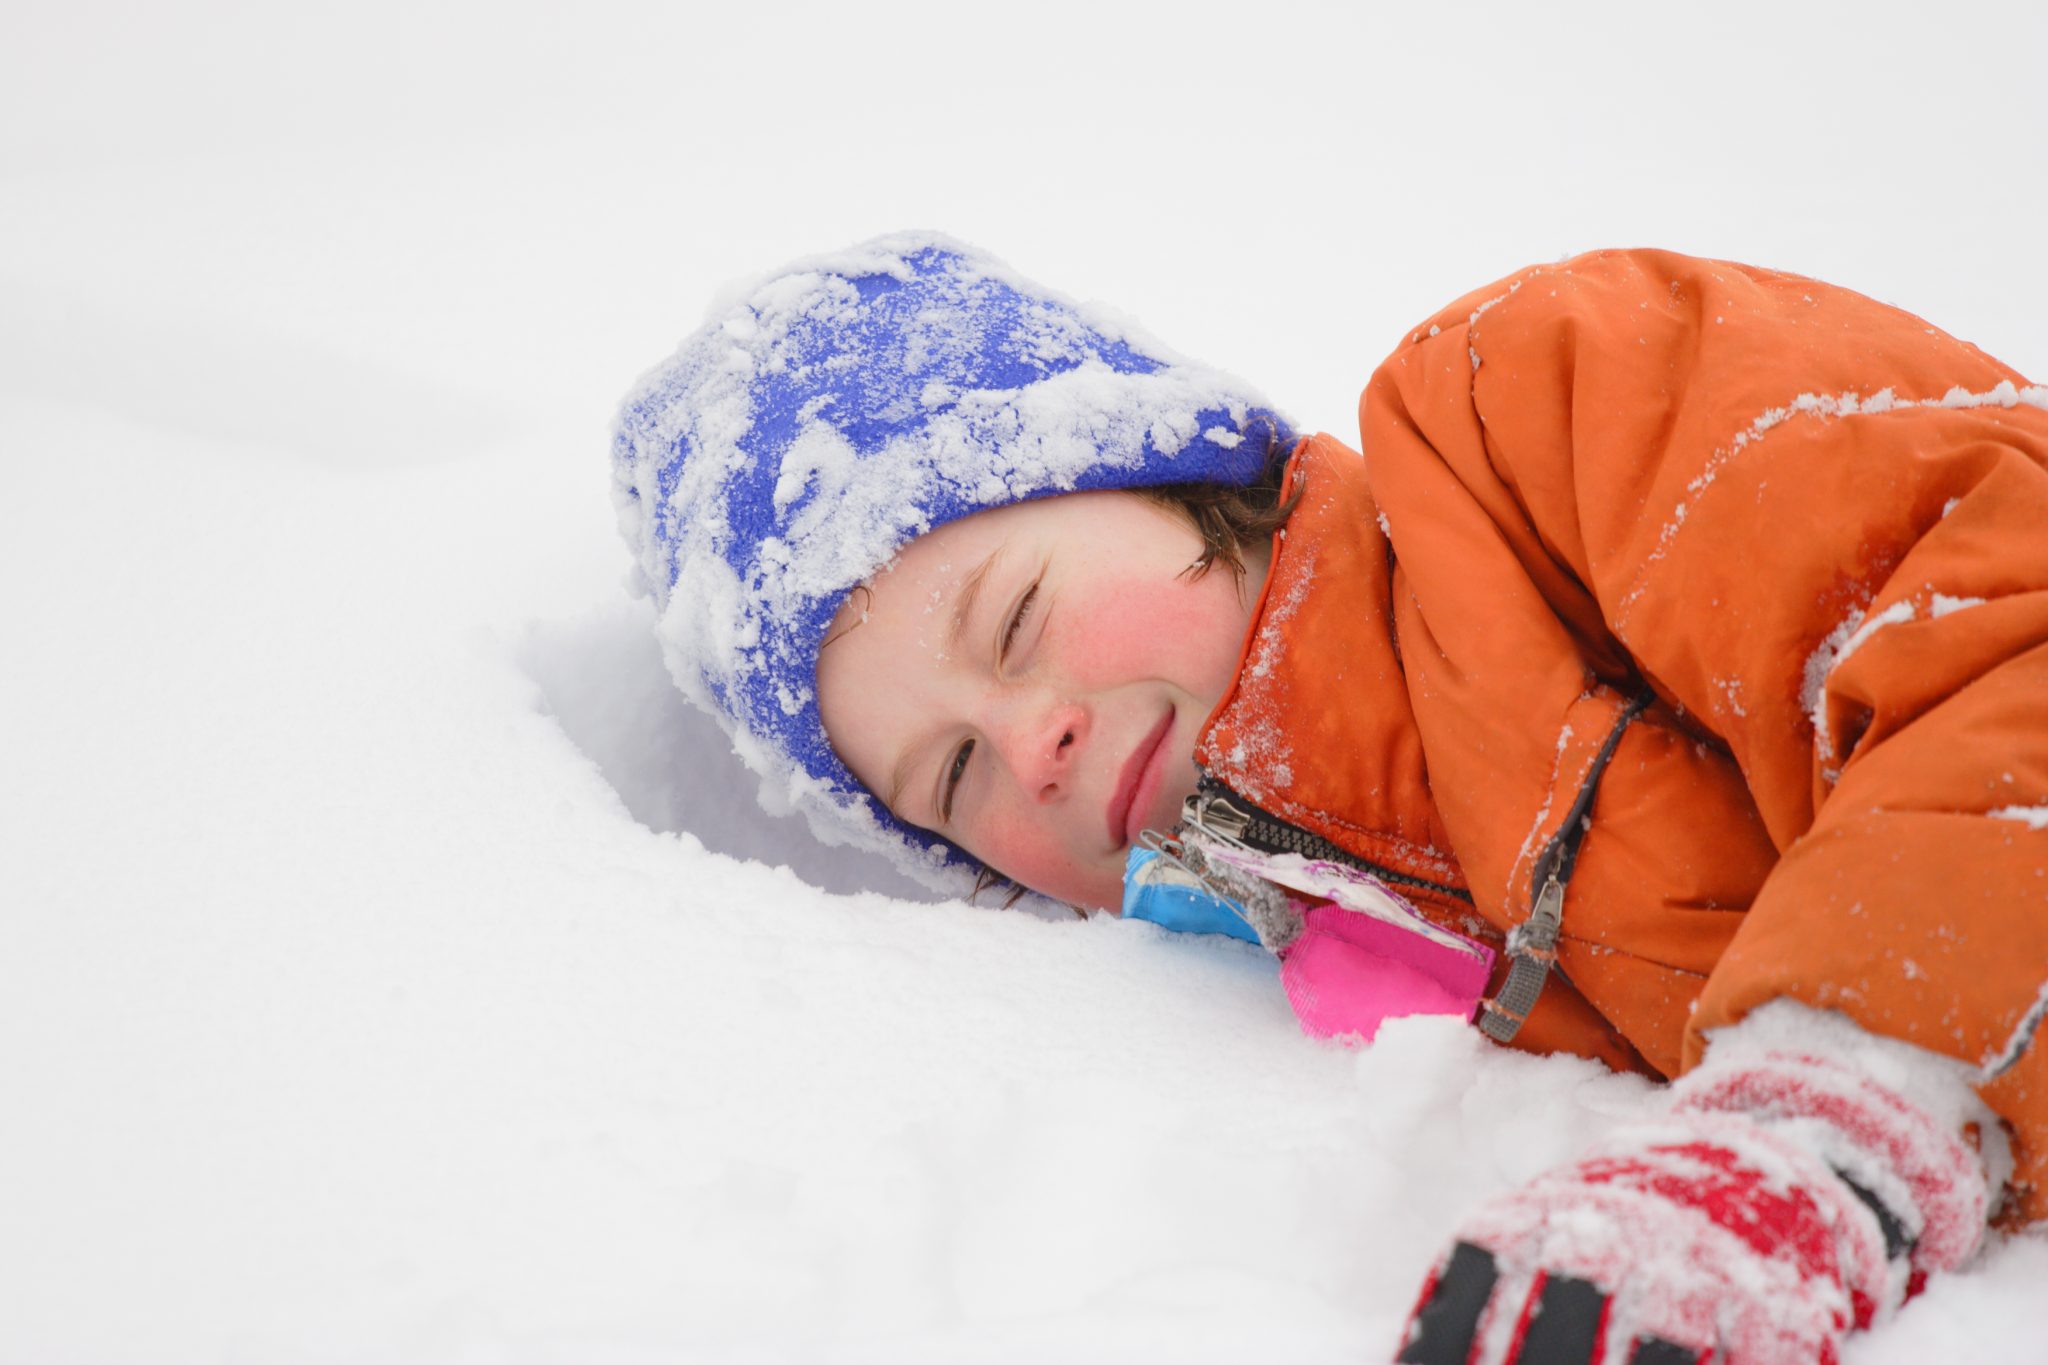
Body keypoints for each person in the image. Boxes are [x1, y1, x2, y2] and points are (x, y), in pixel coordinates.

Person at [612, 234, 2047, 1363]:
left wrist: (1836, 1111)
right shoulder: (1342, 969)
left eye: (1015, 621)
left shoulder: (1533, 405)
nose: (1030, 738)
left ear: (1162, 471)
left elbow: (2004, 622)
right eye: (954, 775)